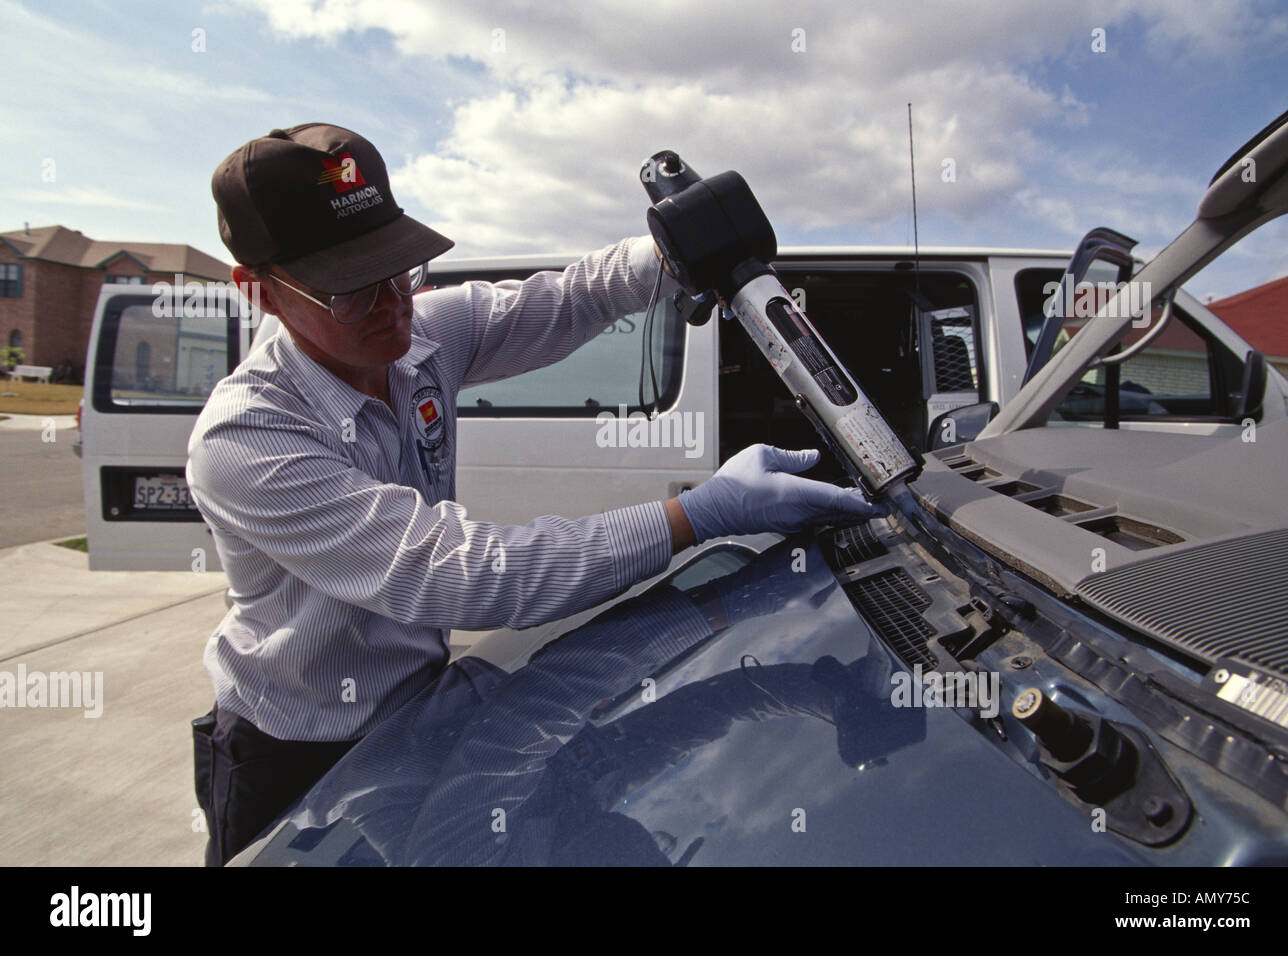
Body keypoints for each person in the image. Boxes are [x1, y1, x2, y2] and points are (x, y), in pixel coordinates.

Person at [188, 122, 874, 865]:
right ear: (257, 288)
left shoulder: (418, 338)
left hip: (423, 718)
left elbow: (568, 300)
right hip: (303, 757)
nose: (393, 303)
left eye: (399, 268)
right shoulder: (247, 440)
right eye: (350, 289)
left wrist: (671, 248)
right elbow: (465, 577)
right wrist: (697, 515)